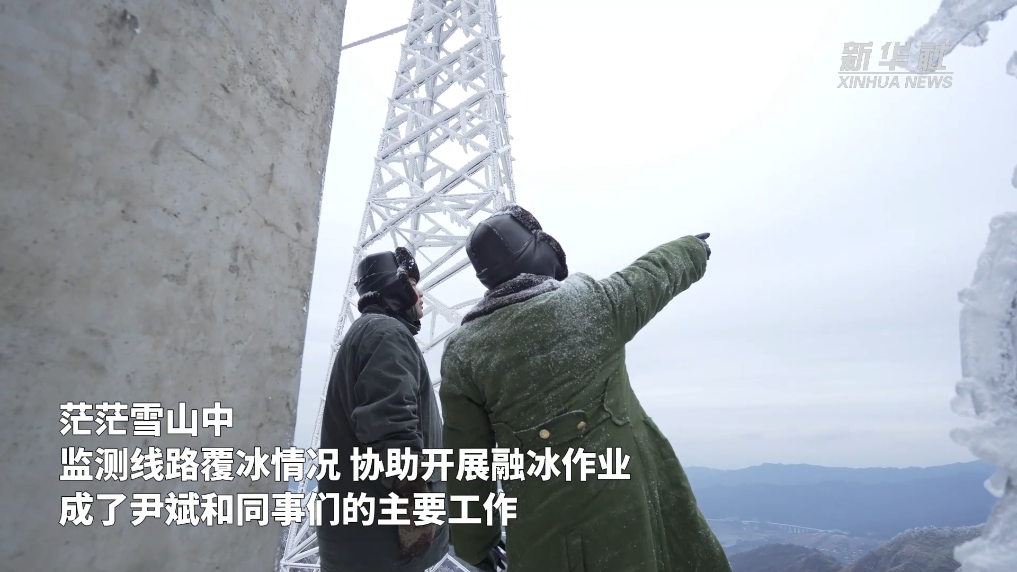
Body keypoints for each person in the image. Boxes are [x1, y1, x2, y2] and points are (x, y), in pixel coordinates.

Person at [439, 204, 732, 572]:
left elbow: (467, 463)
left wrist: (475, 546)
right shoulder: (590, 304)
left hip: (542, 541)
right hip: (632, 513)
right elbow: (650, 275)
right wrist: (693, 249)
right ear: (539, 251)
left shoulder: (463, 353)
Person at [316, 247, 449, 572]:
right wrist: (417, 512)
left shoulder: (370, 332)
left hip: (365, 543)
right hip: (385, 547)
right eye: (413, 284)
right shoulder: (386, 334)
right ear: (395, 286)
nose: (420, 294)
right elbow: (393, 427)